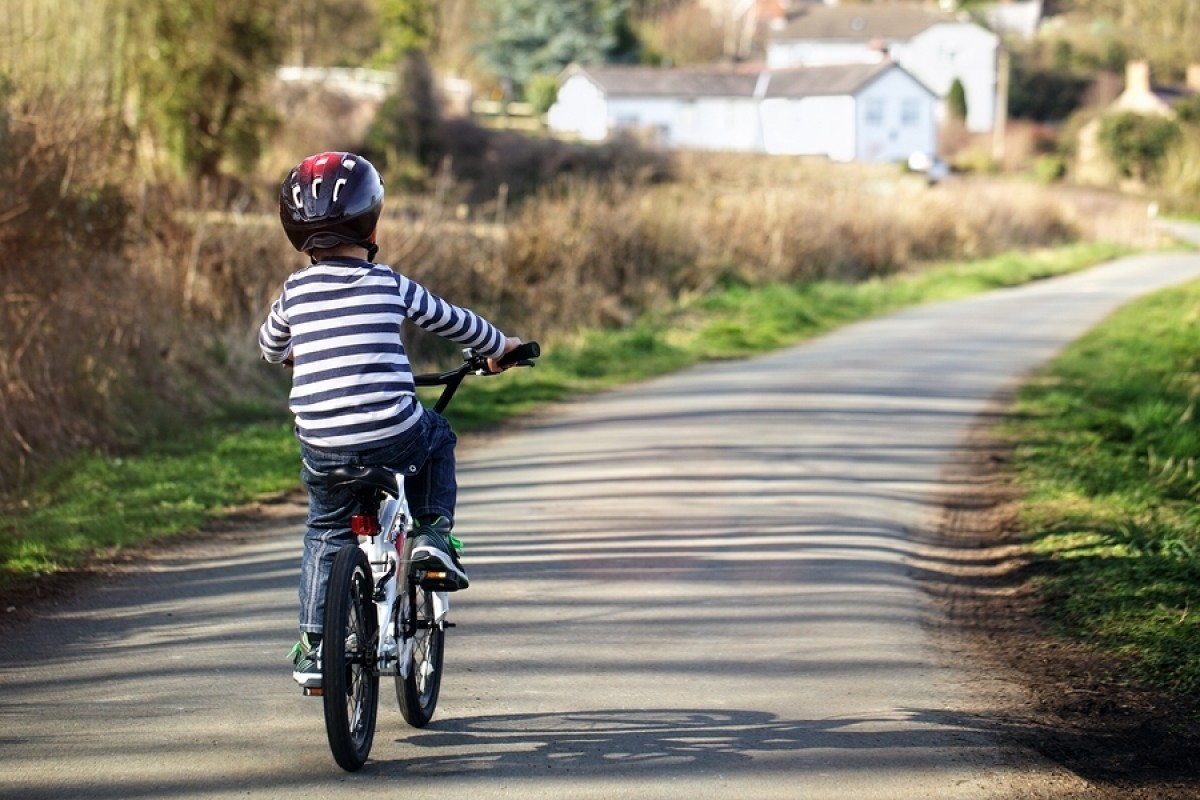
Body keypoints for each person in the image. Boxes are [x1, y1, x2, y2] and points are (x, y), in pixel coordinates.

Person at [258, 151, 520, 688]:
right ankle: (431, 534)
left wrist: (292, 355)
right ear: (371, 221)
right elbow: (457, 323)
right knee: (437, 437)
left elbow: (268, 346)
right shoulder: (390, 285)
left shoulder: (293, 292)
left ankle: (314, 646)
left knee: (326, 530)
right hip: (393, 433)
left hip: (323, 445)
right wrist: (502, 347)